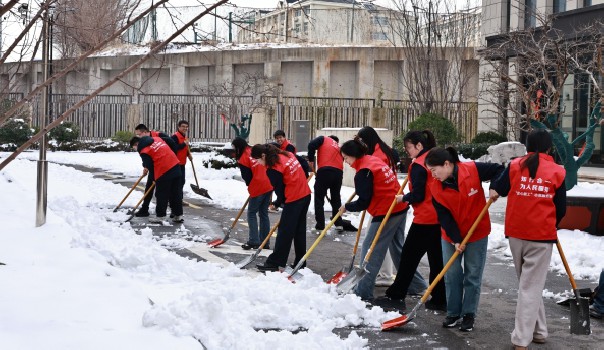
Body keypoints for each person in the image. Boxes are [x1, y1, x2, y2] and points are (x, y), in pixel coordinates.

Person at [490, 129, 566, 348]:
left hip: (516, 233)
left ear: (527, 146)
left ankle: (539, 331)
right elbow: (560, 208)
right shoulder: (557, 171)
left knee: (529, 284)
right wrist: (553, 225)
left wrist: (494, 189)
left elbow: (501, 188)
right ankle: (522, 339)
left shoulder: (515, 165)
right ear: (550, 148)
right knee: (530, 287)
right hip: (541, 235)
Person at [425, 147, 504, 332]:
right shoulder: (435, 187)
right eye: (430, 172)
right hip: (451, 235)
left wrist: (494, 186)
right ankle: (453, 312)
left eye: (434, 170)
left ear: (447, 164)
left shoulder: (472, 169)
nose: (433, 175)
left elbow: (499, 170)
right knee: (452, 274)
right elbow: (444, 217)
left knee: (472, 275)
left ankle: (469, 314)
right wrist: (456, 239)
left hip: (477, 232)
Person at [378, 130, 447, 311]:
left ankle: (396, 294)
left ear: (419, 145)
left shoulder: (418, 165)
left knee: (408, 257)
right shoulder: (433, 158)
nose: (407, 151)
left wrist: (404, 198)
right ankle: (440, 298)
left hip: (425, 218)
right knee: (436, 260)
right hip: (440, 217)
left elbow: (418, 194)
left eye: (408, 147)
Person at [339, 138, 412, 304]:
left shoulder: (363, 171)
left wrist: (347, 207)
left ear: (353, 155)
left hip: (387, 211)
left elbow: (364, 201)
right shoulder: (372, 160)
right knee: (399, 250)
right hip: (398, 207)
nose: (346, 162)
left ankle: (363, 292)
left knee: (370, 251)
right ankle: (416, 286)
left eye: (346, 158)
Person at [357, 126, 427, 293]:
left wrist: (366, 184)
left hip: (389, 204)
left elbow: (379, 176)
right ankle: (416, 284)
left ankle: (364, 288)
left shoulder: (377, 155)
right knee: (397, 248)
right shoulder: (384, 149)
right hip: (395, 201)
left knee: (372, 246)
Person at [251, 144, 311, 272]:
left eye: (257, 160)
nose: (257, 163)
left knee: (285, 232)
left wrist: (278, 202)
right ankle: (301, 262)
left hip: (295, 198)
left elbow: (281, 191)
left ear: (263, 155)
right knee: (299, 231)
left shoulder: (273, 168)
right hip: (305, 194)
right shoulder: (286, 154)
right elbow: (303, 165)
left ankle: (275, 262)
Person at [130, 136, 183, 223]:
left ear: (136, 144)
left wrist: (154, 177)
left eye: (134, 147)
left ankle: (161, 216)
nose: (136, 149)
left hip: (164, 170)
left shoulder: (144, 150)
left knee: (161, 194)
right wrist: (146, 167)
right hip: (175, 165)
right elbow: (167, 143)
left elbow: (150, 165)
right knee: (175, 193)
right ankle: (178, 215)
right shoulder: (156, 139)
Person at [232, 137, 273, 250]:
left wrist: (251, 187)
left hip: (258, 186)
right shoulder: (253, 149)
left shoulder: (243, 158)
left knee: (251, 213)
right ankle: (265, 241)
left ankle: (254, 241)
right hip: (269, 183)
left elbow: (247, 177)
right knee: (263, 213)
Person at [133, 124, 177, 217]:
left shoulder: (159, 135)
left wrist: (171, 158)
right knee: (149, 187)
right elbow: (146, 157)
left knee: (167, 190)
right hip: (154, 167)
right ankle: (145, 209)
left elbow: (172, 144)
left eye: (139, 135)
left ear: (145, 132)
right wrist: (146, 167)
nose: (138, 137)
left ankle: (173, 211)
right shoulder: (143, 143)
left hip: (167, 167)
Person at [307, 135, 347, 231]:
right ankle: (338, 223)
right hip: (338, 173)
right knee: (336, 198)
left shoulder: (324, 139)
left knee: (319, 198)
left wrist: (311, 160)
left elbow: (311, 145)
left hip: (325, 170)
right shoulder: (338, 147)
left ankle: (320, 225)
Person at [172, 120, 194, 194]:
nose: (185, 128)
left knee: (181, 181)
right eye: (183, 126)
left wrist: (188, 155)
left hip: (182, 162)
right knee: (177, 182)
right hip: (175, 163)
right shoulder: (175, 136)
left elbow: (185, 148)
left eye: (186, 127)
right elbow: (174, 147)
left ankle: (178, 199)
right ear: (179, 127)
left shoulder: (185, 137)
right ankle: (174, 200)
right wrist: (184, 144)